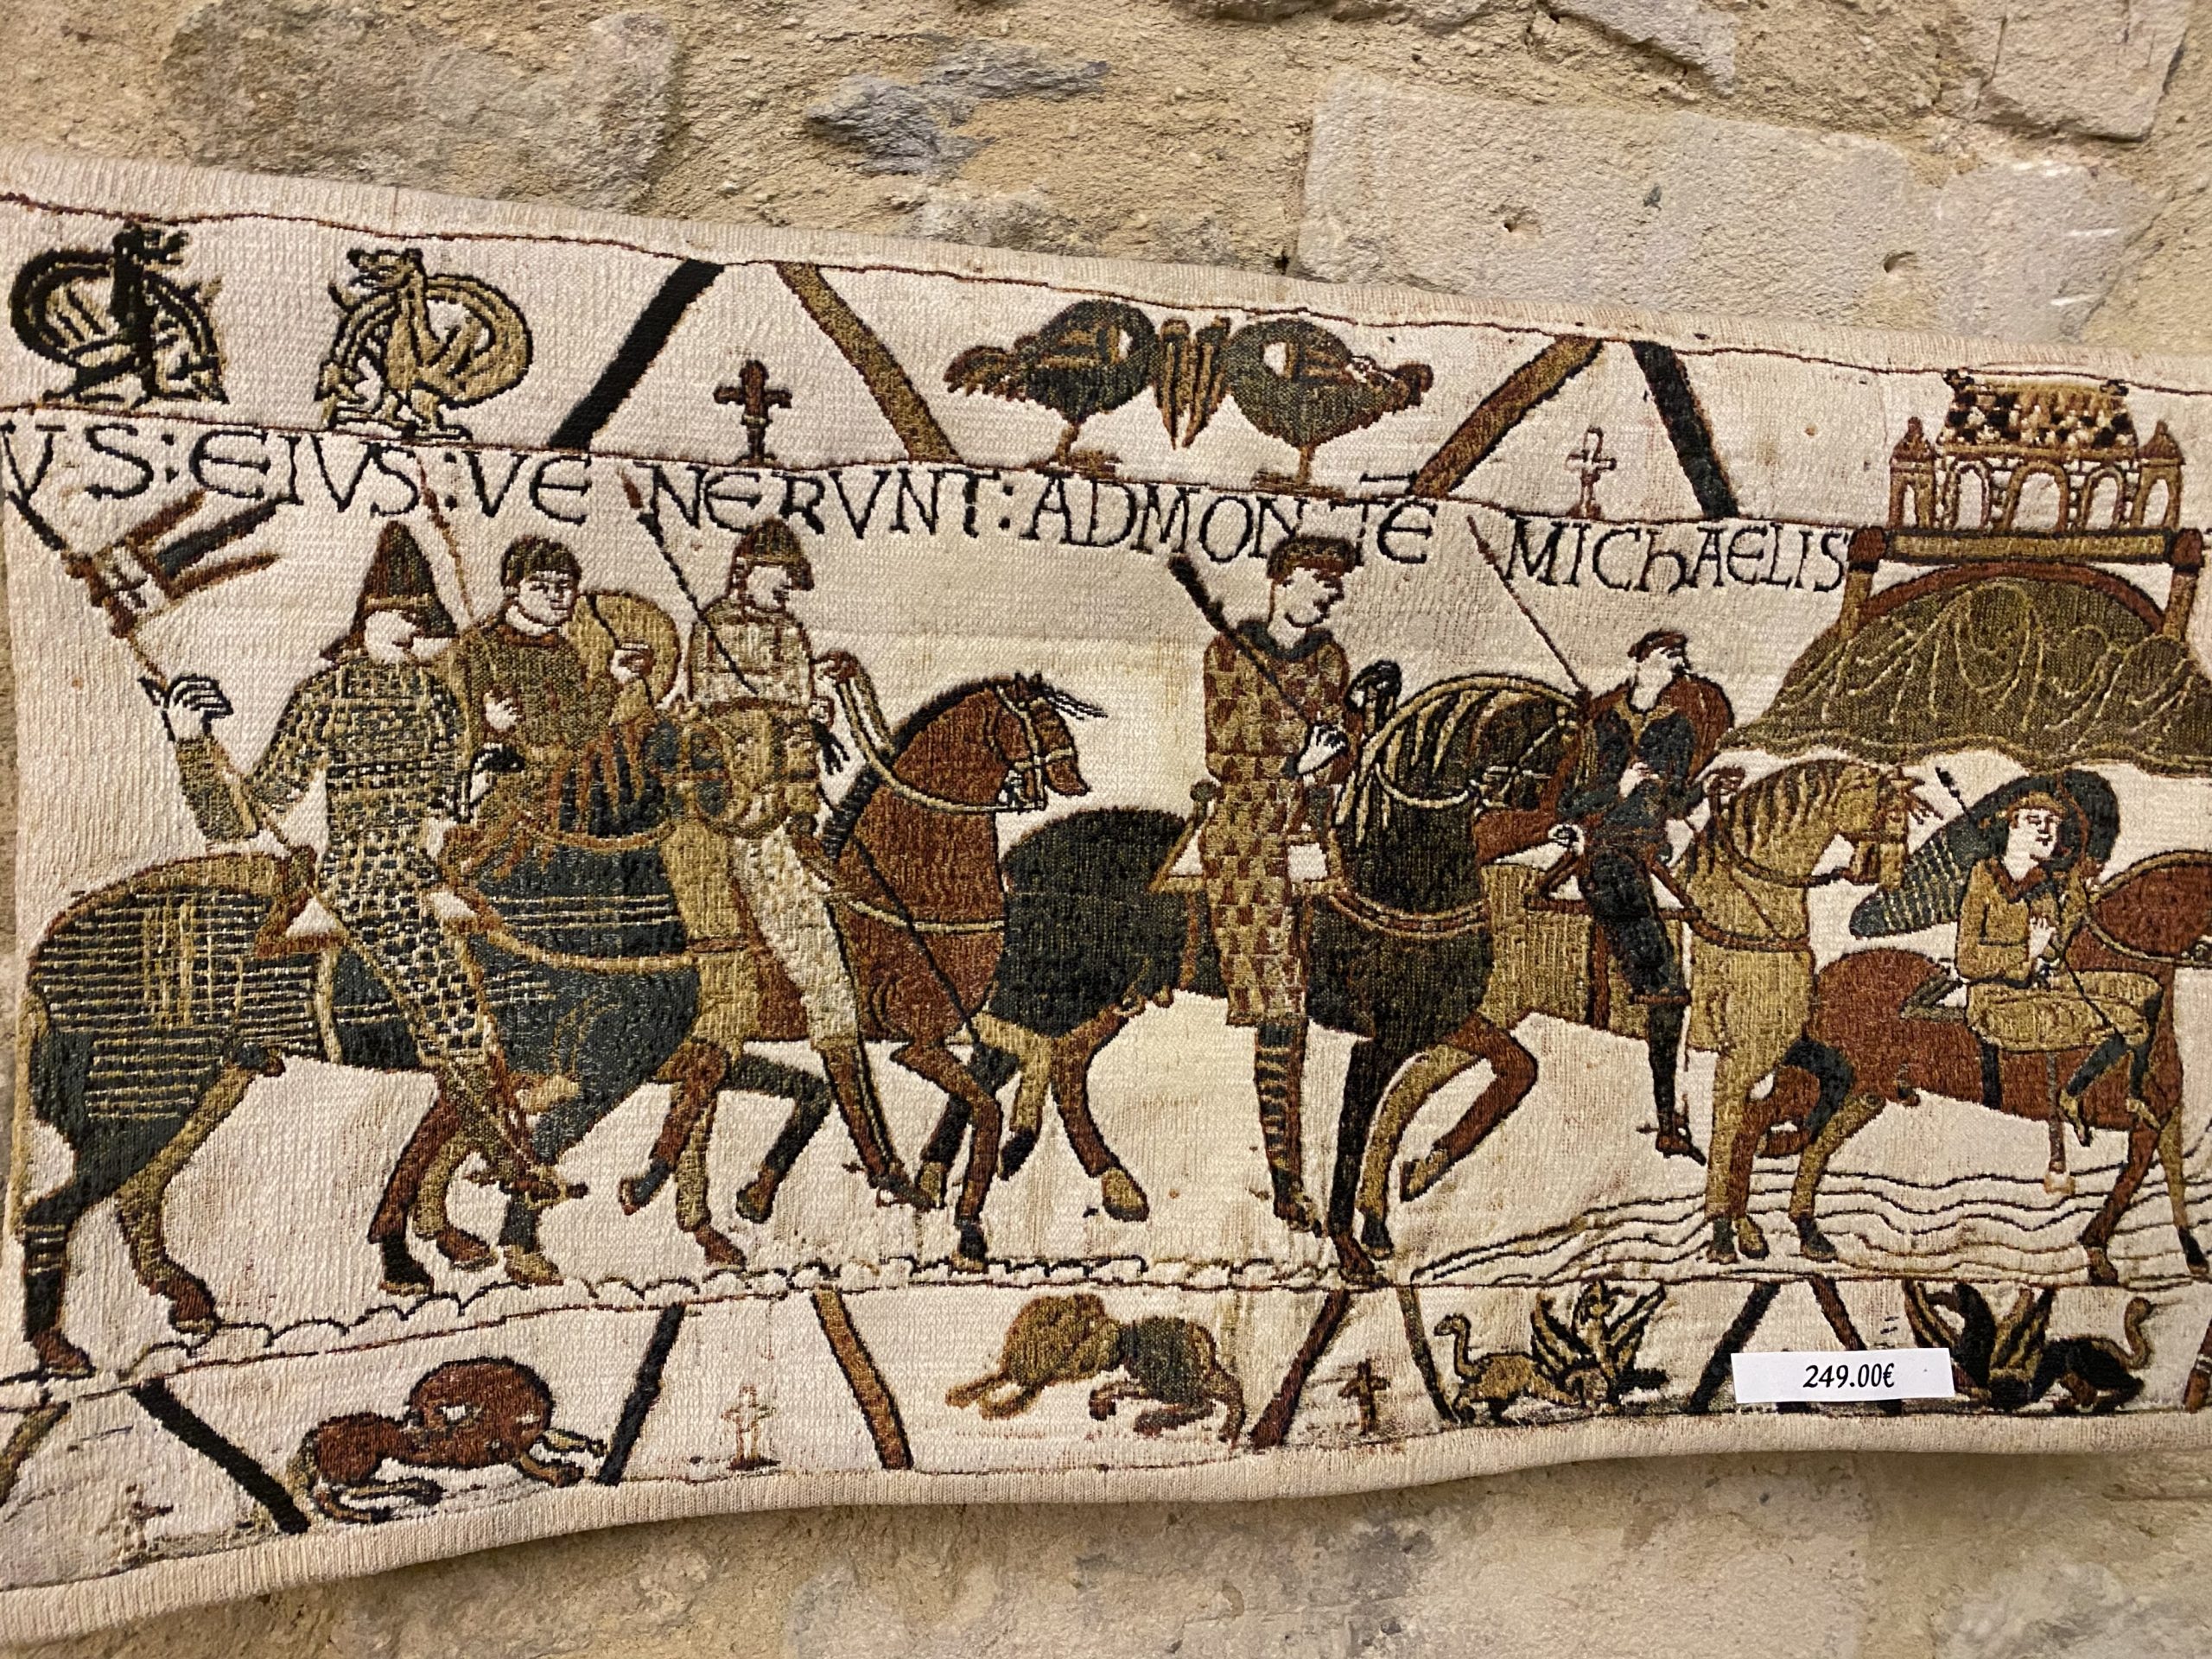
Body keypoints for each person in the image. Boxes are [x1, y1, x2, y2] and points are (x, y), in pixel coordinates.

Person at [156, 523, 556, 1203]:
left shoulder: (436, 699)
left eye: (420, 617)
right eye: (397, 614)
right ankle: (507, 1157)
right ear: (365, 617)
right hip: (361, 879)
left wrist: (487, 756)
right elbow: (241, 818)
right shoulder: (327, 695)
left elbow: (448, 803)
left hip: (425, 874)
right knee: (450, 1000)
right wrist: (191, 743)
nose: (410, 629)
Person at [674, 518, 906, 1202]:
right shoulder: (712, 628)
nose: (789, 588)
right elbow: (717, 714)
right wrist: (789, 706)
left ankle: (878, 1160)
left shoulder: (791, 634)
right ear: (749, 569)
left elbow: (797, 735)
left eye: (792, 579)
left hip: (780, 824)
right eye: (782, 575)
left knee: (831, 984)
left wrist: (803, 814)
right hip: (723, 821)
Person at [1198, 533, 1363, 1236]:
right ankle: (1286, 1180)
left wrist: (1338, 750)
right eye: (1321, 582)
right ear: (1284, 579)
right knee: (1282, 1009)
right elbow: (1226, 755)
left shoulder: (1330, 660)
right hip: (1251, 830)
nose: (1332, 596)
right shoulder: (1230, 653)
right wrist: (1295, 763)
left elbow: (1338, 747)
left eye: (1336, 585)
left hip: (1315, 822)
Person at [1550, 628, 1735, 1162]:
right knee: (1667, 988)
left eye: (1677, 659)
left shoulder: (1676, 727)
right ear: (1637, 662)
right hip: (1608, 854)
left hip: (1652, 849)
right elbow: (1568, 800)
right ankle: (1667, 1120)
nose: (1672, 666)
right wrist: (1618, 790)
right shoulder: (1602, 724)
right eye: (1662, 657)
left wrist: (1706, 789)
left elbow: (1674, 798)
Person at [1959, 793, 2162, 1140]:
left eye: (2052, 824)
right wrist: (2026, 953)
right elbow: (1967, 960)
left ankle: (2133, 1091)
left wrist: (2077, 900)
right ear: (2012, 826)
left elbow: (2053, 952)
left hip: (2044, 985)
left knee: (2147, 989)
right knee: (2129, 1021)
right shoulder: (1984, 878)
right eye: (2035, 821)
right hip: (1998, 1003)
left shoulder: (2042, 885)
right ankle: (2074, 1094)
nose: (2046, 830)